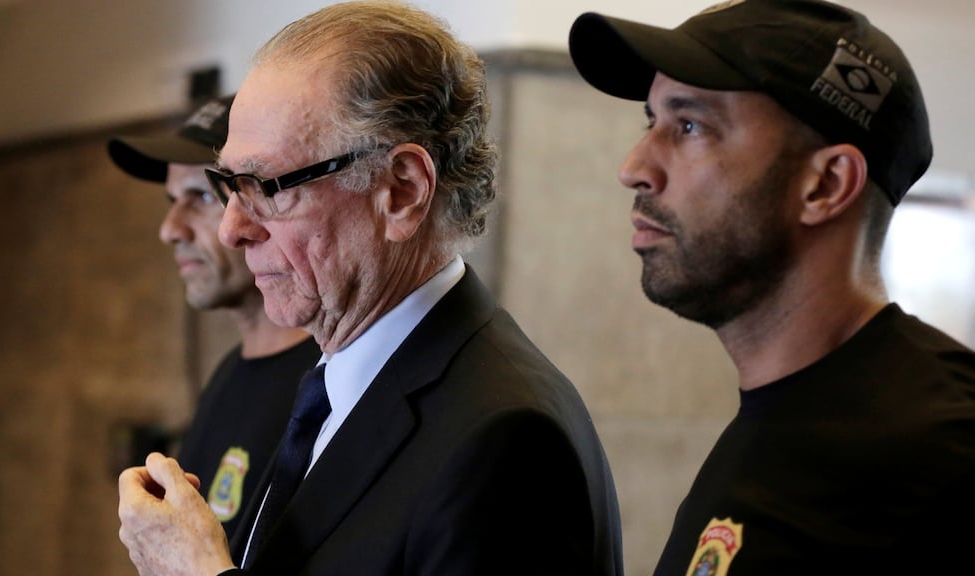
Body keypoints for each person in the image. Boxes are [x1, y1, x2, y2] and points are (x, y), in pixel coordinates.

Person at [117, 2, 624, 576]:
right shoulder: (340, 384)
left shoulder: (506, 437)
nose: (233, 229)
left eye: (265, 187)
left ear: (402, 191)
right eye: (229, 185)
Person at [569, 0, 975, 574]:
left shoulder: (944, 449)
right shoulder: (771, 422)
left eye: (690, 125)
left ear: (825, 185)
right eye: (651, 122)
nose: (635, 166)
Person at [108, 95, 321, 541]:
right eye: (172, 200)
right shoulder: (229, 374)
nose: (170, 229)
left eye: (201, 196)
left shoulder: (328, 386)